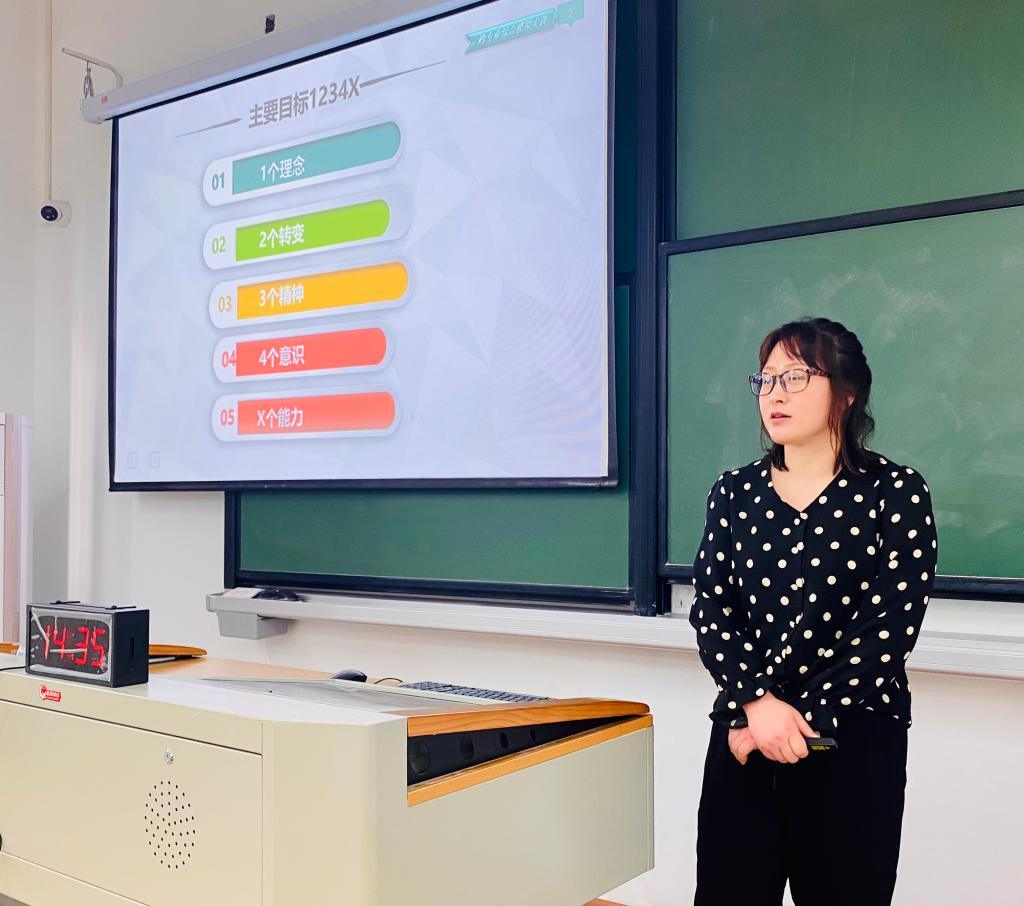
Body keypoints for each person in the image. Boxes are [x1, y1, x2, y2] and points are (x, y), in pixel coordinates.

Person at [689, 317, 937, 906]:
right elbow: (712, 611)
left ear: (846, 392)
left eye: (796, 377)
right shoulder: (734, 493)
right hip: (744, 734)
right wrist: (758, 705)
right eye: (766, 378)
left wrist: (789, 722)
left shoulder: (896, 492)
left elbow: (888, 630)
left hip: (854, 742)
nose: (774, 393)